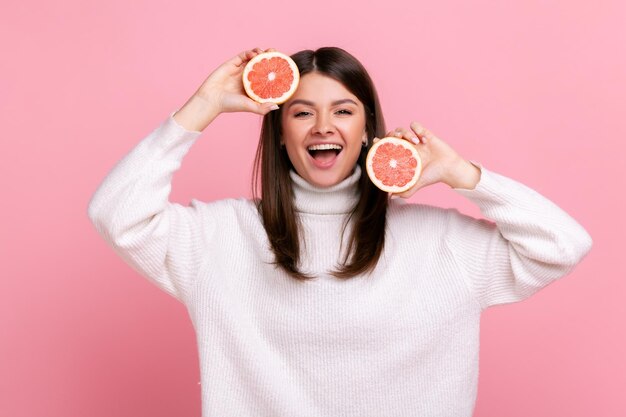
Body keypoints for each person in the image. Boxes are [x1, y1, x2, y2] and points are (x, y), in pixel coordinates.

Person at [87, 46, 592, 417]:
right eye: (302, 112)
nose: (322, 126)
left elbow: (563, 245)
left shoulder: (442, 243)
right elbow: (116, 213)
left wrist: (465, 176)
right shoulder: (221, 238)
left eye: (343, 111)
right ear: (281, 136)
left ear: (367, 129)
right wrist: (203, 105)